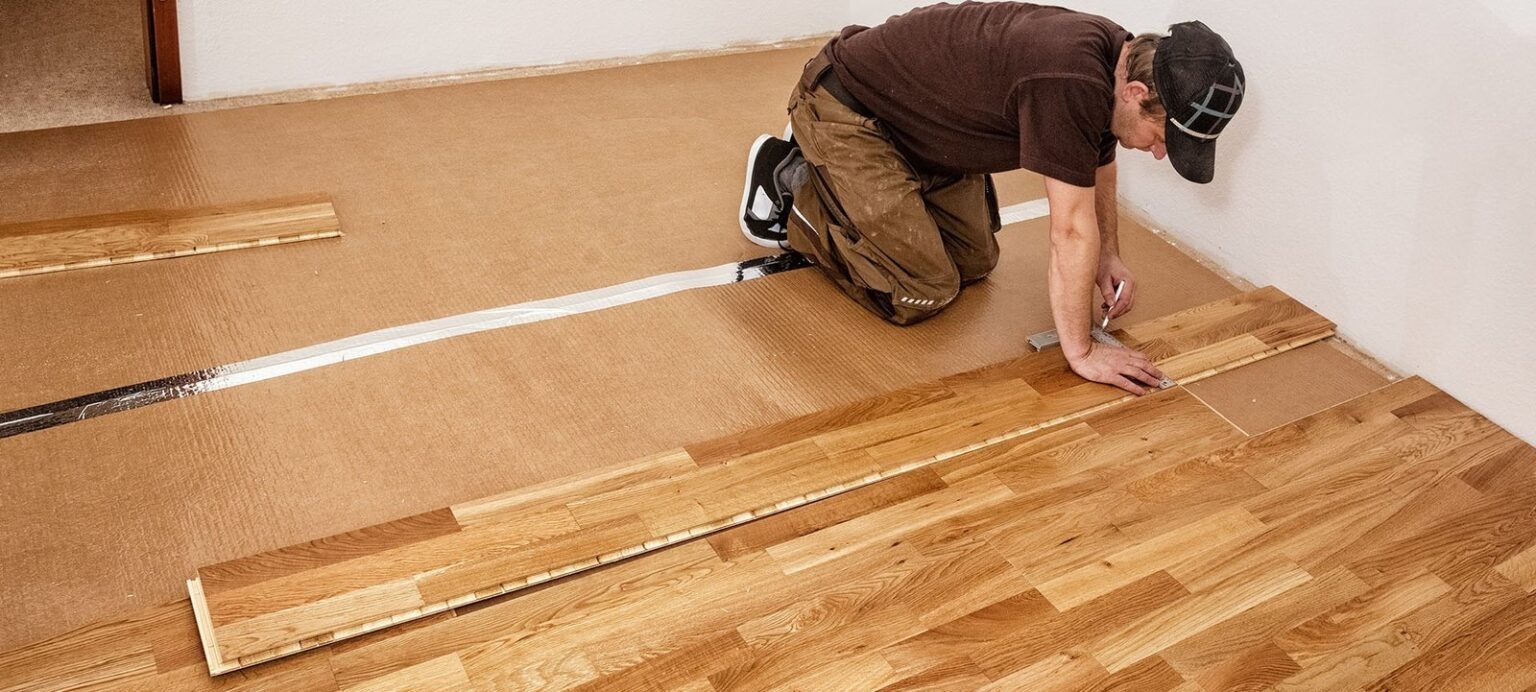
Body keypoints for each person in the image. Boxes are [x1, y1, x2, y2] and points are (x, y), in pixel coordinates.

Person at [738, 2, 1245, 395]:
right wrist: (1083, 353)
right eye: (1163, 137)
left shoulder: (1115, 61)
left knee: (975, 262)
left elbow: (1100, 162)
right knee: (921, 289)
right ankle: (793, 182)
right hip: (851, 107)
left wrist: (1108, 255)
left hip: (922, 133)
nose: (1159, 153)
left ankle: (869, 185)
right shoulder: (1069, 78)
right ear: (1135, 92)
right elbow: (1069, 230)